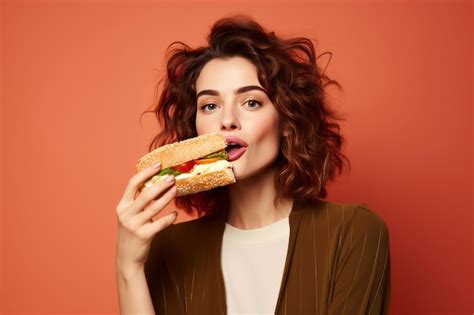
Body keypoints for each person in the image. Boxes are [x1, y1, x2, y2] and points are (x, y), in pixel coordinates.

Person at [115, 15, 391, 315]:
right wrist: (128, 268)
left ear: (286, 120)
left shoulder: (352, 231)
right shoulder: (170, 248)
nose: (227, 120)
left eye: (251, 102)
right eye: (210, 105)